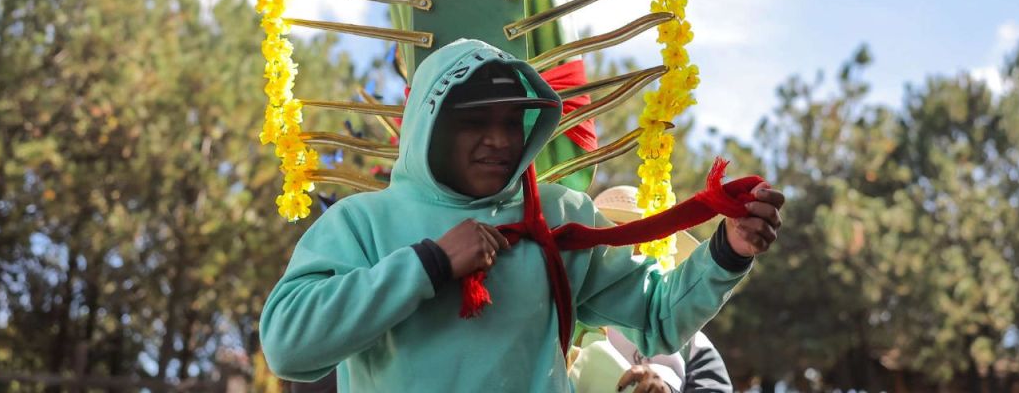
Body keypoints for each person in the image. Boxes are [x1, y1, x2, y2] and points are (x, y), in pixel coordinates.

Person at [260, 39, 784, 391]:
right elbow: (289, 345)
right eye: (476, 122)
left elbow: (657, 318)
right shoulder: (361, 223)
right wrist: (431, 264)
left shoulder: (557, 216)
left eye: (513, 121)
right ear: (431, 126)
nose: (501, 140)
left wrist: (727, 251)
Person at [566, 186, 736, 393]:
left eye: (636, 240)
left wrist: (666, 390)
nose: (623, 254)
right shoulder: (557, 312)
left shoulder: (690, 342)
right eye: (612, 236)